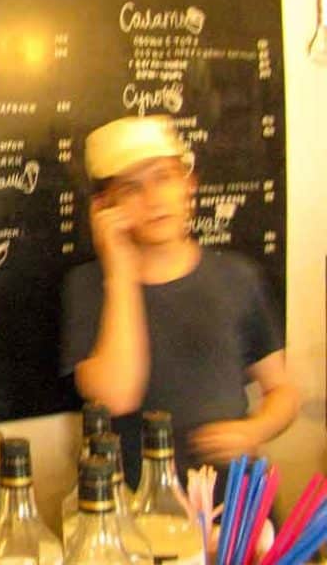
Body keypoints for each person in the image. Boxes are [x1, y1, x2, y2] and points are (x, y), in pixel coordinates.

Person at [60, 116, 298, 492]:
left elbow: (281, 390)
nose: (154, 199)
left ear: (189, 184)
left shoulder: (239, 277)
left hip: (234, 508)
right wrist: (120, 273)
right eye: (131, 188)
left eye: (164, 177)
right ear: (105, 206)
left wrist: (255, 429)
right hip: (138, 510)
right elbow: (117, 395)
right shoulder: (89, 287)